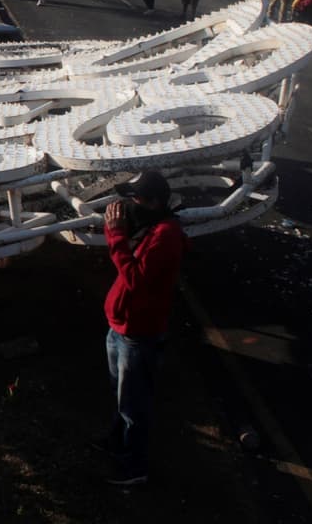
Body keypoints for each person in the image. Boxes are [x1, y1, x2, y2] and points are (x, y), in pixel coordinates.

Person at [99, 171, 189, 486]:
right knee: (121, 393)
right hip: (121, 326)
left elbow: (136, 280)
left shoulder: (164, 236)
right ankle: (116, 442)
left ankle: (134, 467)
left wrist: (115, 236)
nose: (130, 204)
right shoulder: (151, 226)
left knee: (133, 404)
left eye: (136, 198)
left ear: (154, 202)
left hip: (137, 333)